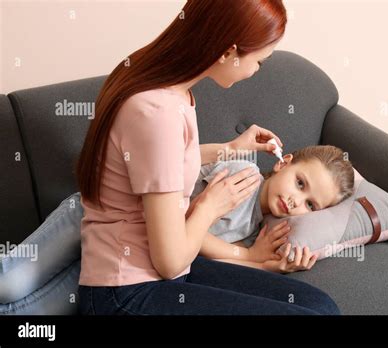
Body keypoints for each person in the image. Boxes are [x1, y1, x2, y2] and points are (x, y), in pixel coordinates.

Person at [75, 0, 341, 315]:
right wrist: (209, 207)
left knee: (322, 306)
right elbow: (170, 262)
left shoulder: (167, 87)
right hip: (125, 291)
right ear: (228, 52)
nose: (257, 71)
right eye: (260, 61)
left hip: (164, 273)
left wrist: (231, 148)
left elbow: (161, 160)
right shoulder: (158, 112)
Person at [189, 145, 354, 272]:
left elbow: (216, 262)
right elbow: (186, 227)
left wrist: (266, 266)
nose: (295, 201)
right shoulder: (245, 177)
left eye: (310, 205)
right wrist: (250, 256)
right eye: (300, 183)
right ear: (283, 164)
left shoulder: (255, 231)